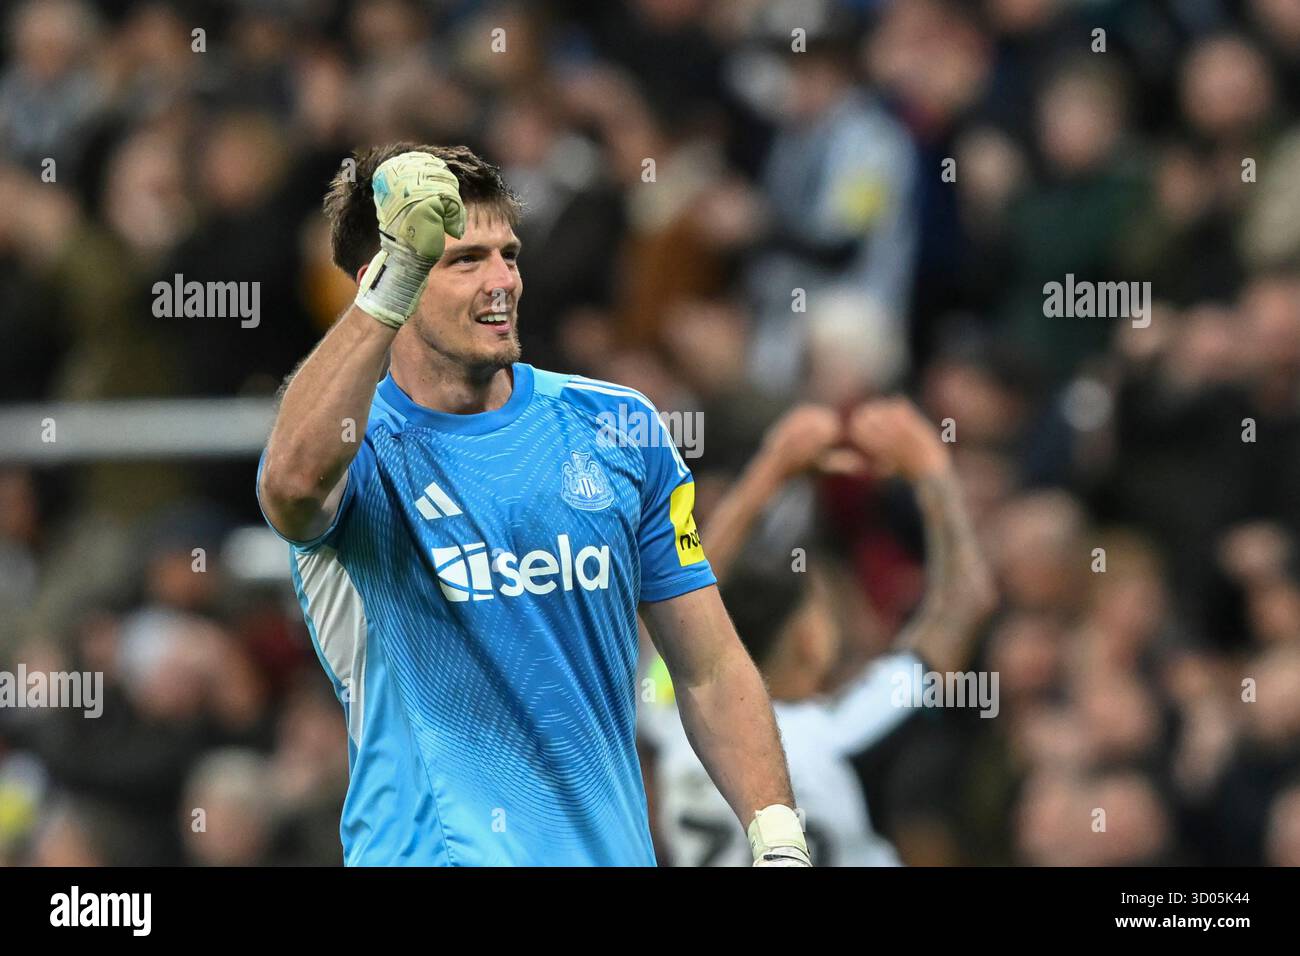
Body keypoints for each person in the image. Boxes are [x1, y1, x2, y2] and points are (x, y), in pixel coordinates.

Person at [255, 144, 809, 866]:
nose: (502, 282)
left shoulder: (619, 427)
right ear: (384, 280)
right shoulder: (353, 448)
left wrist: (779, 839)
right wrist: (391, 287)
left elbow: (708, 666)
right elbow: (290, 487)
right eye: (462, 260)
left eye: (508, 254)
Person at [641, 399, 996, 865]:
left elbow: (680, 606)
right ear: (809, 641)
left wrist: (769, 470)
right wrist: (931, 466)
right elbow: (966, 603)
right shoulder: (841, 732)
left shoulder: (674, 720)